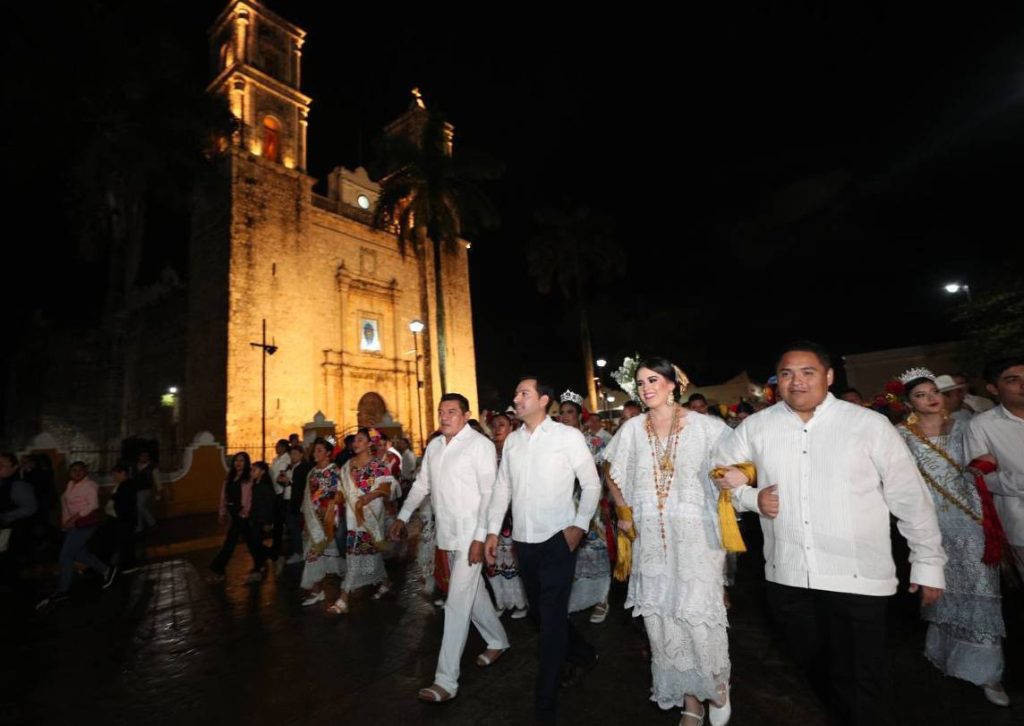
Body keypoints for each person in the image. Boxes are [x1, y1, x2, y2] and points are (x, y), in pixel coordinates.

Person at [713, 341, 946, 726]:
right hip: (789, 578)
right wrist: (750, 498)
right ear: (777, 381)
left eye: (808, 372)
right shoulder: (757, 426)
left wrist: (928, 562)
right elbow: (720, 470)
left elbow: (909, 497)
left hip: (857, 577)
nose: (797, 382)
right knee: (813, 670)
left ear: (829, 376)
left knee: (862, 677)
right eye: (787, 374)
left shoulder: (868, 425)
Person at [604, 358, 732, 726]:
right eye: (641, 382)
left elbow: (738, 466)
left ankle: (717, 685)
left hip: (697, 537)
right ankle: (690, 701)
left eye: (653, 380)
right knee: (663, 618)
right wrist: (623, 510)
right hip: (650, 538)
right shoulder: (631, 429)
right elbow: (611, 470)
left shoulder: (707, 427)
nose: (646, 388)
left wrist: (733, 482)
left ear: (673, 384)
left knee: (697, 614)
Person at [485, 376, 600, 725]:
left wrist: (579, 526)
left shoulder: (567, 436)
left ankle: (545, 704)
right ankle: (583, 653)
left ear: (543, 400)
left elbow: (591, 483)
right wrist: (492, 531)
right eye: (516, 393)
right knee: (542, 614)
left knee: (549, 623)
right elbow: (502, 489)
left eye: (524, 393)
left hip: (558, 541)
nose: (517, 399)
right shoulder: (513, 441)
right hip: (523, 543)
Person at [895, 368, 1007, 706]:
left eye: (934, 392)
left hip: (972, 520)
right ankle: (946, 654)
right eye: (921, 395)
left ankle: (988, 673)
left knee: (983, 590)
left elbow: (992, 459)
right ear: (908, 403)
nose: (931, 399)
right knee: (943, 592)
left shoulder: (966, 426)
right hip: (930, 526)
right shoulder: (900, 436)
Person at [390, 393, 510, 702]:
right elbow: (422, 485)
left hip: (471, 536)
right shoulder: (434, 446)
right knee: (474, 595)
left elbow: (490, 494)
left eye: (452, 411)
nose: (445, 416)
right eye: (442, 411)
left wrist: (481, 537)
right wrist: (403, 515)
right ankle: (498, 640)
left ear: (466, 415)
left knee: (456, 604)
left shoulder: (480, 445)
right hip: (448, 534)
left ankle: (446, 680)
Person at [965, 356, 1024, 583]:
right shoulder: (981, 426)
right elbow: (978, 478)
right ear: (993, 388)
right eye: (1012, 380)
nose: (1023, 385)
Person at [560, 390, 612, 623]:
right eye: (561, 413)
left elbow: (606, 474)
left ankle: (602, 599)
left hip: (591, 506)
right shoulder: (555, 443)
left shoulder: (595, 442)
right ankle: (576, 598)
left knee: (595, 551)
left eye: (569, 412)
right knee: (571, 554)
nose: (564, 417)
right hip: (563, 506)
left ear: (580, 415)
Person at [331, 428, 395, 613]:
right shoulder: (347, 465)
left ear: (369, 443)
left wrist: (368, 497)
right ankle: (385, 581)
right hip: (353, 518)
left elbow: (385, 488)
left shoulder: (377, 465)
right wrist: (335, 500)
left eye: (360, 440)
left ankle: (343, 599)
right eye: (355, 440)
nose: (355, 443)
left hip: (371, 516)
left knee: (356, 553)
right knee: (367, 552)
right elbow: (341, 490)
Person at [37, 461, 116, 608]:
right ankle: (107, 570)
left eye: (80, 470)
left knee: (65, 556)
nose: (77, 473)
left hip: (84, 525)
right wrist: (65, 523)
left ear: (85, 471)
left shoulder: (90, 485)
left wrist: (73, 519)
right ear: (70, 473)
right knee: (80, 555)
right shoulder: (71, 484)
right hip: (73, 525)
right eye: (74, 470)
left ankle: (63, 590)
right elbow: (66, 505)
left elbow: (93, 505)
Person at [485, 411, 528, 619]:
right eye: (493, 425)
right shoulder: (485, 454)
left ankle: (521, 602)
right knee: (493, 559)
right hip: (491, 515)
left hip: (514, 514)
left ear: (511, 428)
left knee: (513, 560)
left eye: (501, 424)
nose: (497, 429)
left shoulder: (518, 451)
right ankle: (500, 600)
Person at [300, 439, 346, 607]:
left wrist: (328, 509)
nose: (315, 453)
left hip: (329, 521)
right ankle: (317, 590)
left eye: (319, 450)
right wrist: (308, 518)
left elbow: (341, 495)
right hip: (314, 520)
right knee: (314, 555)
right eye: (314, 450)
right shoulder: (312, 473)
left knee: (324, 555)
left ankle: (347, 588)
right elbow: (307, 497)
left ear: (328, 453)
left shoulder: (335, 471)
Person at [206, 452, 257, 584]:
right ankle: (260, 562)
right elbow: (224, 495)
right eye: (236, 460)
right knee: (251, 541)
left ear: (246, 463)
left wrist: (245, 511)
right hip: (233, 513)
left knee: (230, 542)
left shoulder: (249, 477)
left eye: (241, 461)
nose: (238, 463)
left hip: (242, 514)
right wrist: (222, 512)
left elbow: (250, 496)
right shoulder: (230, 476)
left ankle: (218, 570)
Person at [0, 452, 37, 590]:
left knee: (8, 561)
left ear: (14, 467)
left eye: (2, 465)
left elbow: (30, 508)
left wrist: (6, 516)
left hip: (11, 530)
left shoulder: (18, 486)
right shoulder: (3, 482)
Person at [102, 462, 138, 573]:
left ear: (123, 473)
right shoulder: (123, 484)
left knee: (125, 542)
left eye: (115, 474)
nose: (114, 477)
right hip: (124, 518)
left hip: (124, 519)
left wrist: (113, 504)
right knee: (125, 542)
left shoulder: (125, 485)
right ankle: (126, 563)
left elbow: (122, 503)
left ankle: (128, 565)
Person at [134, 450, 160, 533]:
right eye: (142, 456)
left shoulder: (152, 467)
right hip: (137, 488)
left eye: (146, 456)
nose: (144, 457)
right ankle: (146, 524)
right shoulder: (136, 466)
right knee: (140, 507)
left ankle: (144, 525)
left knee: (139, 506)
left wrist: (159, 490)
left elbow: (157, 479)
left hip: (146, 488)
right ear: (139, 457)